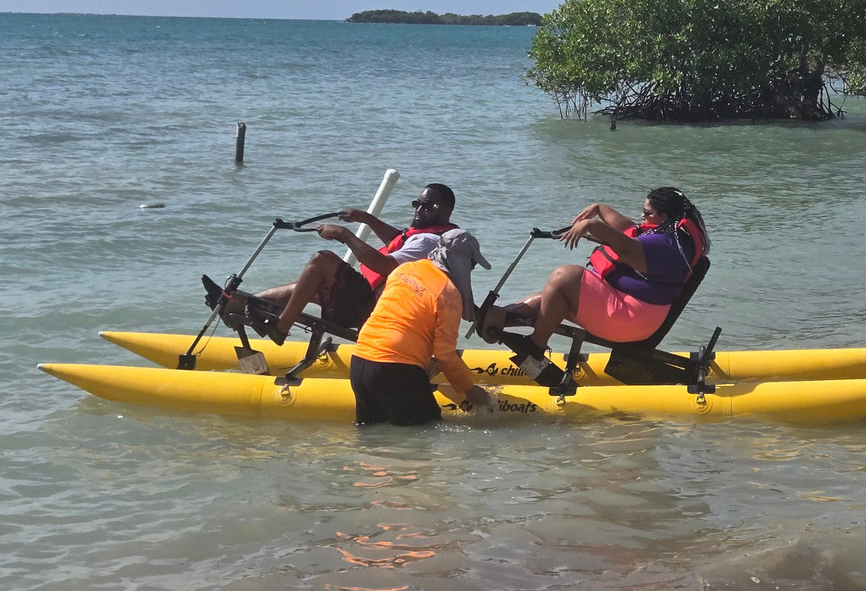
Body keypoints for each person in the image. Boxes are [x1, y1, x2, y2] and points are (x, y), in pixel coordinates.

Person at [501, 187, 709, 377]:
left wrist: (592, 225)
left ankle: (535, 348)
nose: (642, 216)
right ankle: (499, 316)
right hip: (629, 310)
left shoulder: (668, 244)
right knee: (547, 299)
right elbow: (628, 228)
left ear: (664, 216)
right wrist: (599, 208)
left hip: (632, 320)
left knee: (564, 277)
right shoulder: (668, 233)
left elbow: (627, 249)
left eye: (647, 213)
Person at [253, 183, 459, 344]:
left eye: (428, 206)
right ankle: (252, 304)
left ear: (446, 212)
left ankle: (280, 327)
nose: (419, 210)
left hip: (375, 309)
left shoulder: (428, 242)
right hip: (371, 301)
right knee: (309, 287)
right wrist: (365, 218)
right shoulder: (433, 236)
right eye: (417, 204)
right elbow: (397, 240)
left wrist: (344, 234)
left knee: (323, 260)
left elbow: (384, 265)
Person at [350, 228, 498, 426]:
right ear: (462, 261)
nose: (471, 270)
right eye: (472, 264)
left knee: (371, 436)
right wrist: (470, 390)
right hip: (397, 369)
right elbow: (445, 354)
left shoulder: (404, 269)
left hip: (360, 361)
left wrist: (426, 363)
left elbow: (404, 320)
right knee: (427, 433)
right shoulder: (448, 293)